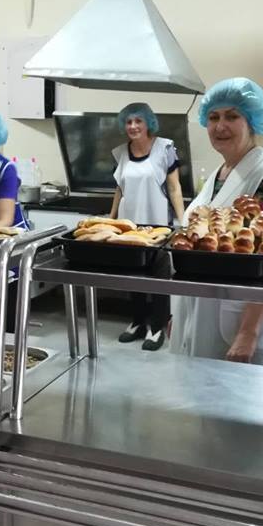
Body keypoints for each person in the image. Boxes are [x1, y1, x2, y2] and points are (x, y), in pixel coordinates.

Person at [171, 78, 263, 367]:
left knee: (238, 394)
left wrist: (248, 331)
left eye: (232, 116)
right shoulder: (219, 173)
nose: (220, 126)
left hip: (241, 317)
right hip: (201, 308)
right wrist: (181, 314)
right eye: (213, 117)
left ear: (252, 122)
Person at [109, 102, 185, 351]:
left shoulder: (165, 148)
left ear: (148, 123)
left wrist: (182, 222)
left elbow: (174, 187)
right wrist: (111, 219)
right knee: (133, 274)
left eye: (138, 121)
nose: (133, 126)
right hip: (129, 225)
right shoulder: (121, 153)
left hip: (157, 223)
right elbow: (119, 189)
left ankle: (157, 325)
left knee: (159, 275)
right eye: (129, 122)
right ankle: (138, 321)